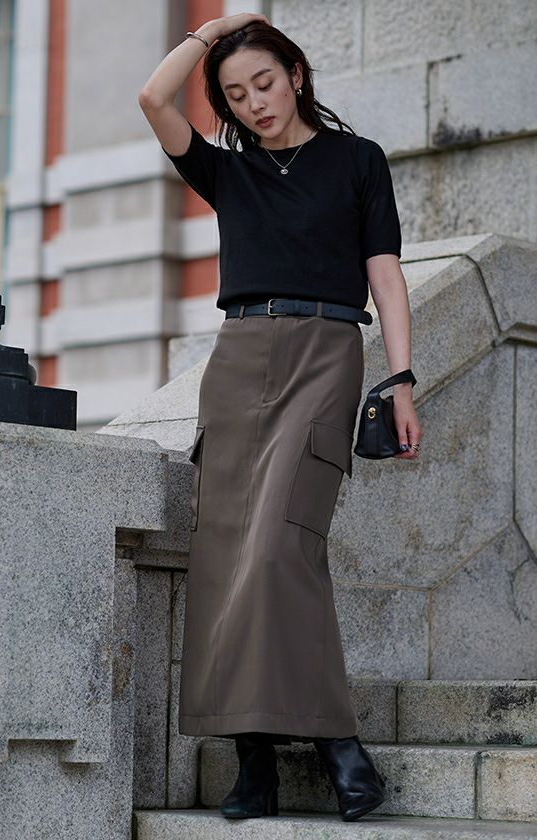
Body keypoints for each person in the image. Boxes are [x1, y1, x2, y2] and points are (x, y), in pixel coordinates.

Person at [138, 12, 424, 823]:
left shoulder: (358, 161)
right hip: (237, 362)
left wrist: (401, 379)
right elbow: (152, 99)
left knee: (279, 550)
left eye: (264, 82)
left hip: (326, 356)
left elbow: (386, 276)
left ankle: (339, 748)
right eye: (236, 95)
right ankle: (253, 763)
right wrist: (213, 33)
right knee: (226, 559)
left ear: (296, 74)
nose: (254, 102)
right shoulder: (228, 172)